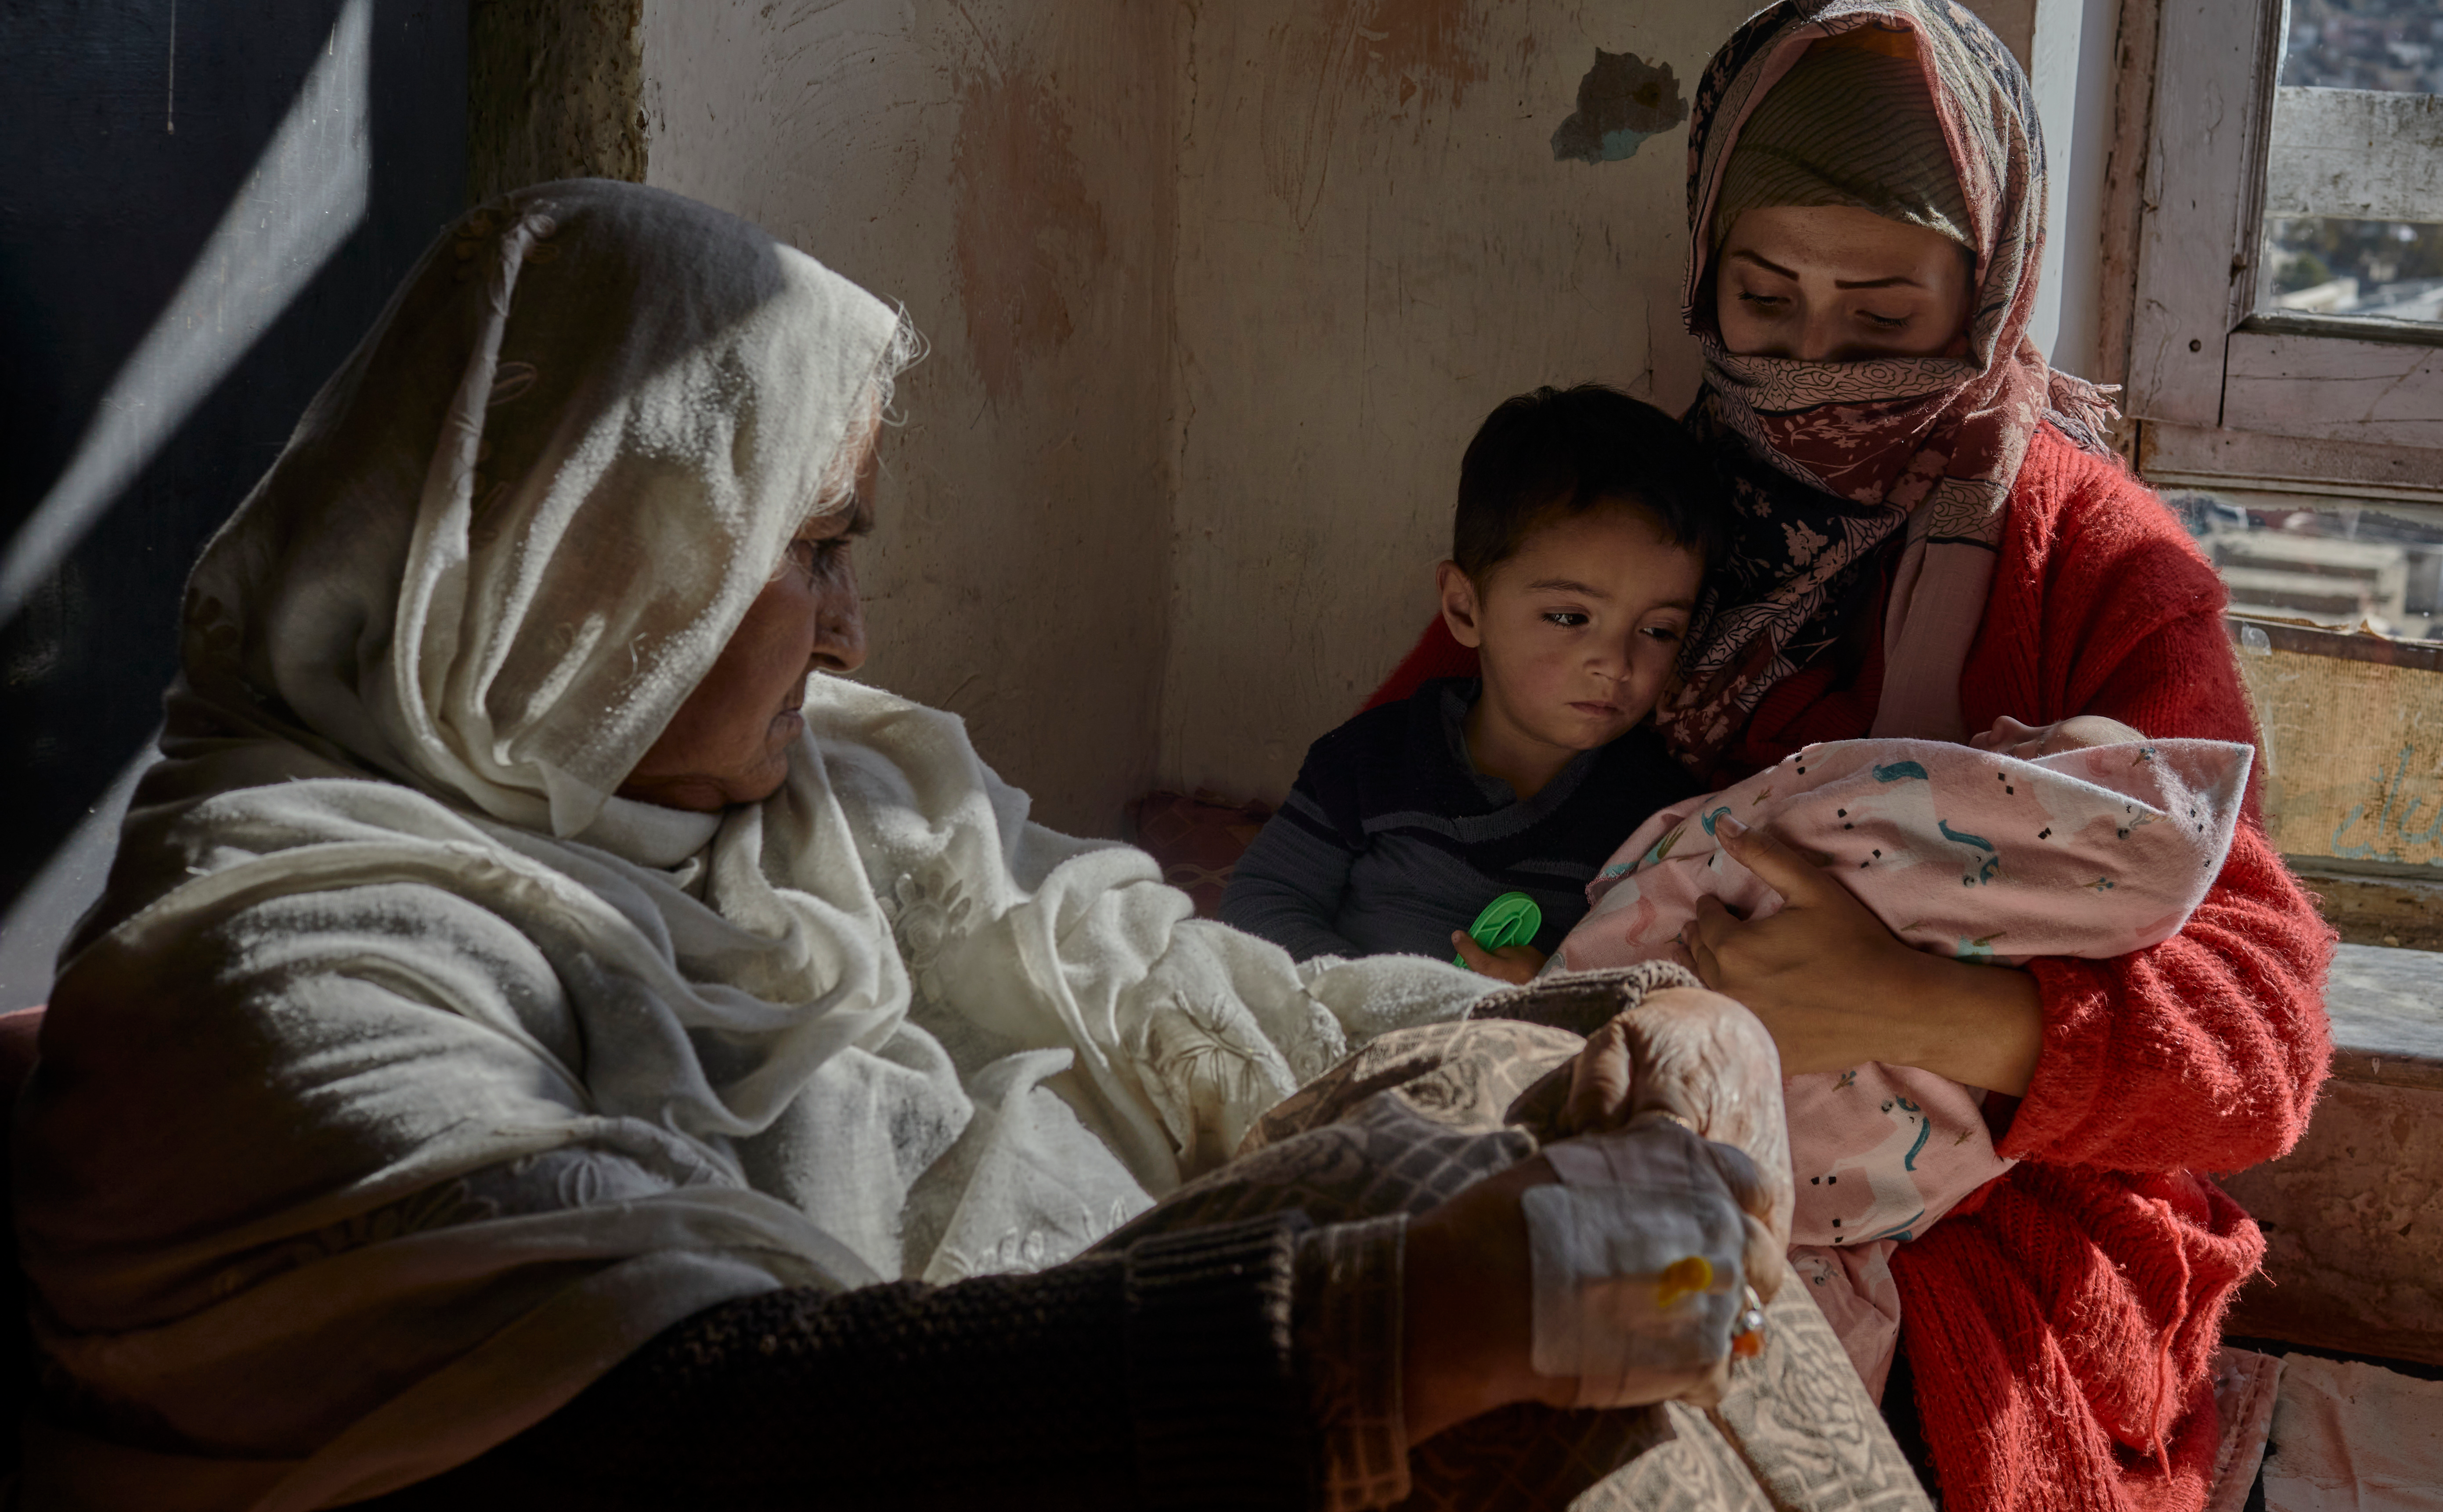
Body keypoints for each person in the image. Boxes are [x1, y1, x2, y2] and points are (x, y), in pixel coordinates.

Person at [8, 182, 1823, 1512]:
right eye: (810, 549)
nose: (857, 633)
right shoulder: (279, 967)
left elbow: (1208, 989)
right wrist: (1385, 1327)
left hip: (1082, 1366)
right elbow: (668, 1426)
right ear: (596, 571)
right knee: (1493, 1275)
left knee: (1534, 1110)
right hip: (962, 1432)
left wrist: (1645, 1026)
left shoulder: (844, 792)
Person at [1365, 0, 2338, 1510]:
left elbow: (2260, 1049)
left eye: (1884, 318)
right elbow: (1412, 792)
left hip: (1976, 1221)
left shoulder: (2097, 566)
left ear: (1993, 287)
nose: (1814, 362)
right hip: (1609, 1117)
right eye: (1765, 302)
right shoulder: (1629, 514)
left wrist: (1920, 1012)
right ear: (1704, 269)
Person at [1548, 714, 2252, 1392]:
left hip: (1966, 1278)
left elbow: (2246, 1067)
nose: (2003, 729)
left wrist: (1905, 1004)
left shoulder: (2089, 798)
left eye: (2036, 746)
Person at [1221, 386, 1724, 984]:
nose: (1615, 664)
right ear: (1465, 609)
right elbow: (1259, 902)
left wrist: (1550, 995)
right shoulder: (1372, 761)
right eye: (1569, 618)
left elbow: (1662, 987)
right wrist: (1374, 1001)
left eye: (1658, 630)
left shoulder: (1658, 818)